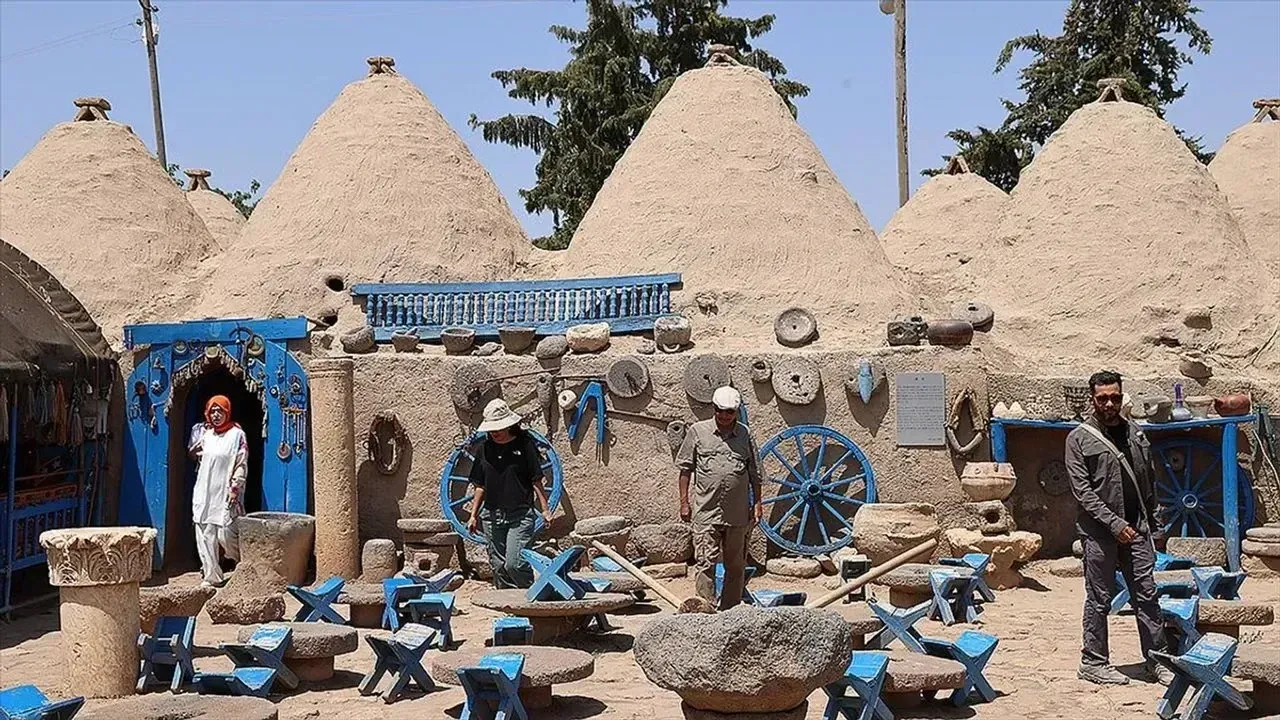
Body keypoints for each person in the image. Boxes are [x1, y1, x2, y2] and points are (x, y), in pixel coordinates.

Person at [1066, 371, 1171, 686]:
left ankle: (1157, 661)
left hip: (1136, 530)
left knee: (1147, 595)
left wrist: (1157, 527)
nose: (1109, 404)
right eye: (1102, 399)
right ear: (1093, 400)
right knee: (1099, 598)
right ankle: (1093, 662)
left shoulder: (1136, 434)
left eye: (1114, 397)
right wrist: (1114, 523)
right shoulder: (1078, 439)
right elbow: (1083, 493)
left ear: (1121, 396)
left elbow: (1149, 483)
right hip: (1099, 533)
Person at [676, 386, 763, 610]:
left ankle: (730, 610)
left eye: (729, 412)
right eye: (720, 411)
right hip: (706, 511)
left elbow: (755, 474)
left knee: (736, 565)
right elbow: (685, 470)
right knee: (705, 562)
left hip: (737, 513)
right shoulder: (697, 432)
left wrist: (757, 504)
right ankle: (705, 609)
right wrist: (684, 503)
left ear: (736, 412)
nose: (724, 416)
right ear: (713, 409)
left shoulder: (745, 435)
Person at [466, 399, 553, 589]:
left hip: (520, 515)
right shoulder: (484, 450)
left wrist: (545, 509)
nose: (494, 432)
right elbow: (480, 486)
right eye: (492, 429)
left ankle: (527, 596)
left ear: (508, 425)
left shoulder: (525, 446)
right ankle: (505, 601)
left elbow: (536, 480)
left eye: (498, 428)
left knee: (515, 564)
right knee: (498, 566)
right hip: (491, 516)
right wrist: (473, 515)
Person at [188, 395, 246, 587]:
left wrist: (235, 487)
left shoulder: (237, 435)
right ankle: (212, 576)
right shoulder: (206, 435)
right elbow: (193, 455)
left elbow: (241, 463)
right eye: (212, 411)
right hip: (204, 492)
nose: (216, 415)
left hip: (226, 492)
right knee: (205, 534)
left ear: (227, 412)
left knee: (225, 534)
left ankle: (244, 566)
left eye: (220, 411)